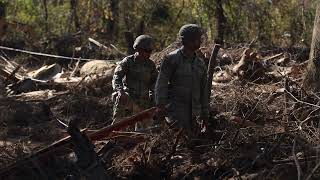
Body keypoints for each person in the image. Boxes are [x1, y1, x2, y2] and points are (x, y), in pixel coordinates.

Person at [155, 24, 209, 133]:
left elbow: (204, 90)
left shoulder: (200, 63)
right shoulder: (172, 59)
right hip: (176, 113)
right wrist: (161, 106)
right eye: (197, 39)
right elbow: (162, 84)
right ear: (188, 40)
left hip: (195, 114)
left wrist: (205, 113)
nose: (200, 41)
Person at [112, 35, 158, 130]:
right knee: (119, 125)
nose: (149, 54)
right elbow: (117, 77)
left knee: (146, 131)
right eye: (147, 51)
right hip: (129, 98)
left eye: (150, 51)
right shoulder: (128, 62)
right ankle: (116, 137)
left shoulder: (151, 65)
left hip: (144, 102)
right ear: (138, 49)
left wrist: (154, 96)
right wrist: (120, 91)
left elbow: (155, 82)